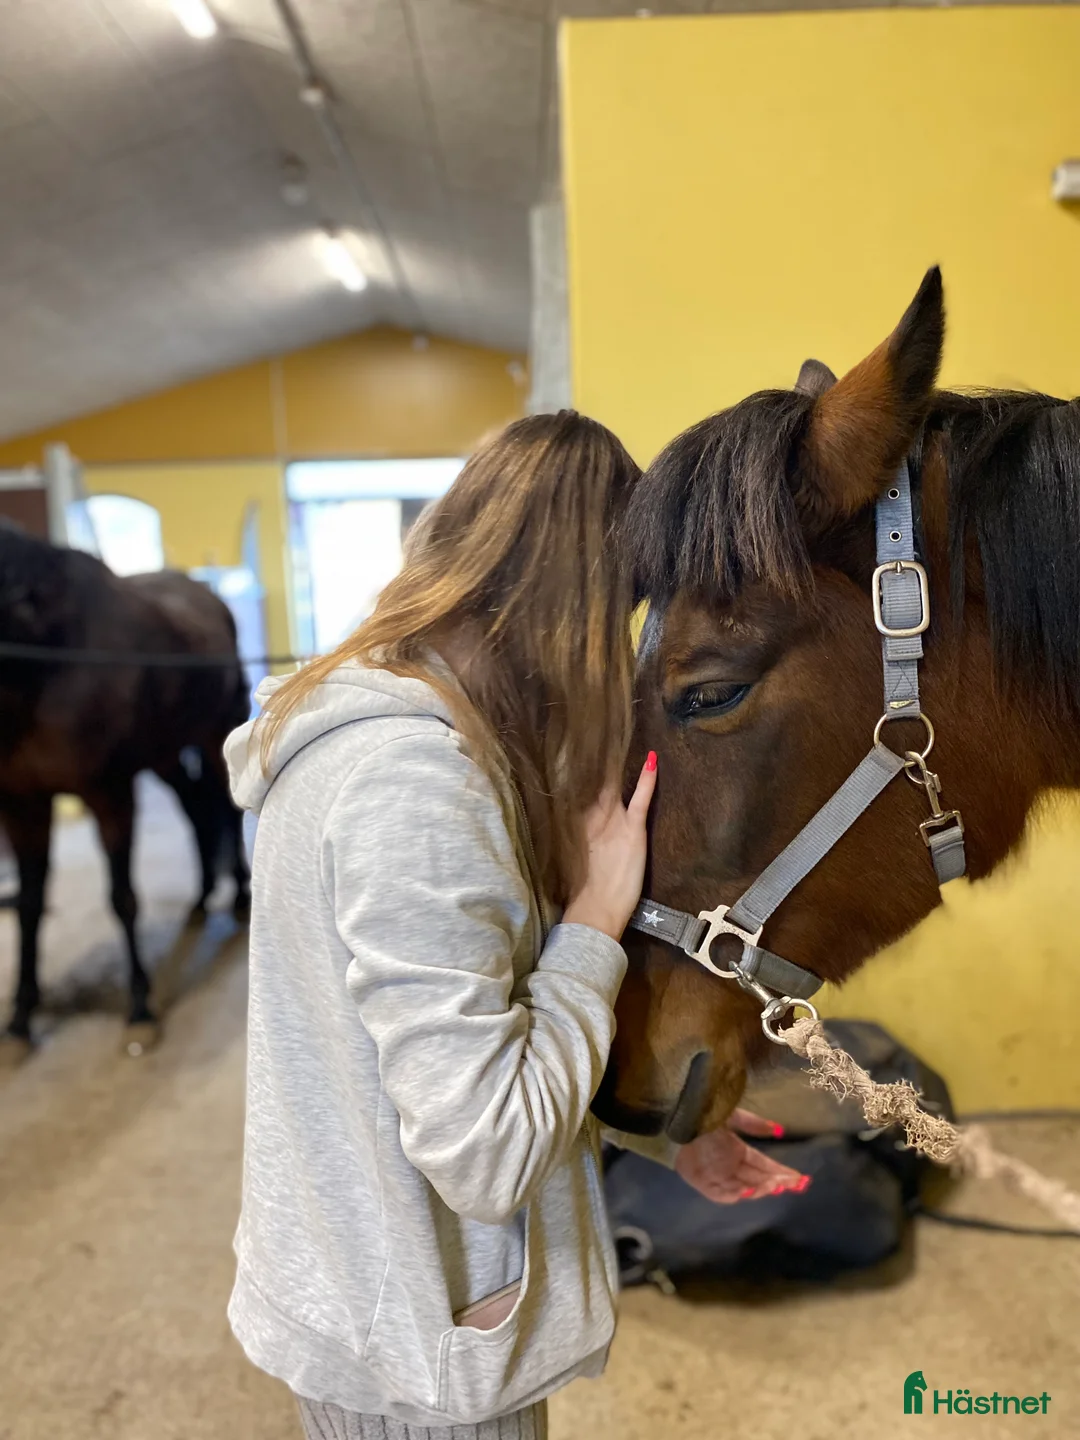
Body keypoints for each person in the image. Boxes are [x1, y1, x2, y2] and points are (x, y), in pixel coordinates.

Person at [226, 411, 805, 1440]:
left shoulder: (358, 734)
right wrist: (592, 919)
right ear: (577, 608)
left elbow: (441, 1052)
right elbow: (485, 1153)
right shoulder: (415, 787)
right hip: (424, 1353)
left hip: (370, 1294)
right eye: (626, 614)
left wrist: (670, 1145)